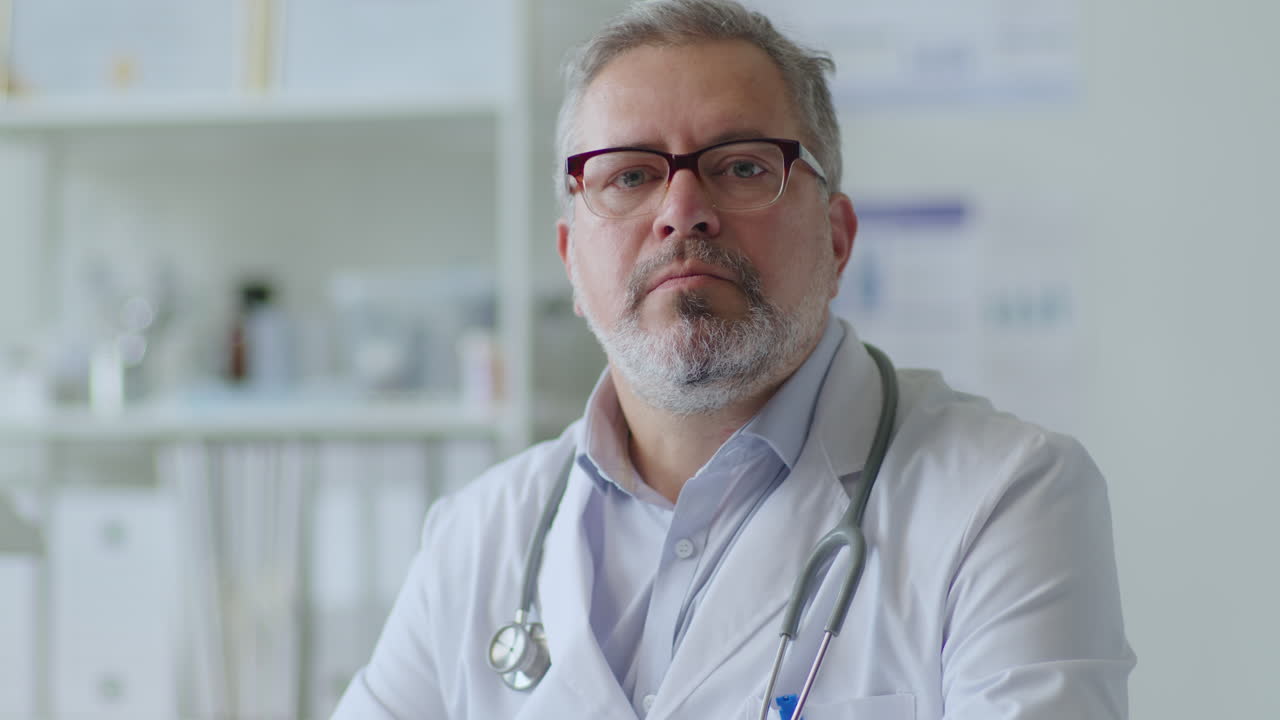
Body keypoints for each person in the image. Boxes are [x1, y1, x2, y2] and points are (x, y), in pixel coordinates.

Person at [332, 1, 1135, 718]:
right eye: (631, 175)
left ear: (837, 236)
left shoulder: (1006, 498)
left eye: (743, 166)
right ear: (572, 261)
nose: (683, 213)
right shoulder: (476, 537)